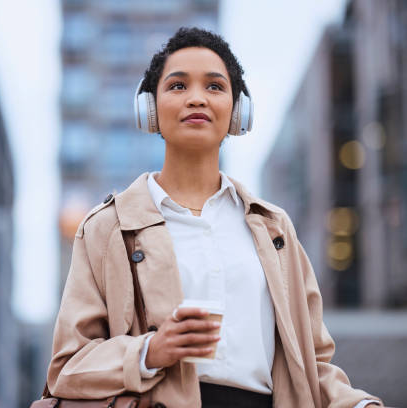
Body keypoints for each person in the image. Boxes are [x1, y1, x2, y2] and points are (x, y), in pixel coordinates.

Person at [46, 27, 384, 407]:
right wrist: (149, 351)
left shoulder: (274, 229)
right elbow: (68, 367)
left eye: (214, 86)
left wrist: (357, 404)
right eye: (177, 86)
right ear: (149, 109)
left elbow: (310, 364)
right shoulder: (107, 227)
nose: (196, 99)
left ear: (238, 112)